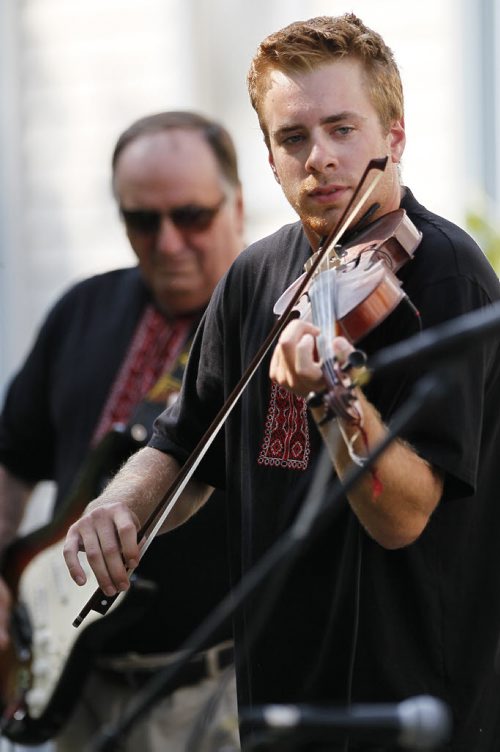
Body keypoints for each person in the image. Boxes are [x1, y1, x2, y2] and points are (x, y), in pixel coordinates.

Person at [63, 15, 500, 752]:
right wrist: (119, 505)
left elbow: (403, 517)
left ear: (394, 136)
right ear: (269, 157)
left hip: (418, 711)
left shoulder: (446, 278)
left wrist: (333, 396)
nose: (319, 158)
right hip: (278, 707)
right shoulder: (254, 278)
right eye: (293, 138)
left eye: (341, 129)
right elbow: (182, 449)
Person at [0, 111, 245, 751]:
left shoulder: (267, 327)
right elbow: (10, 465)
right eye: (142, 220)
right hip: (74, 684)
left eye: (191, 216)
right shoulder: (82, 309)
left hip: (209, 692)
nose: (167, 242)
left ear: (237, 205)